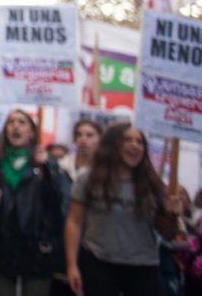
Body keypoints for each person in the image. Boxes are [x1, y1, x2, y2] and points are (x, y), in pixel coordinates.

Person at [64, 122, 183, 296]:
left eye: (140, 142)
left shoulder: (154, 184)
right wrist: (72, 265)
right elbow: (74, 222)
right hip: (99, 262)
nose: (135, 145)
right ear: (112, 145)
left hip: (143, 267)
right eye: (128, 140)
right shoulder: (88, 179)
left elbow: (168, 234)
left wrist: (172, 215)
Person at [0, 109, 67, 296]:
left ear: (31, 132)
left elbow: (58, 200)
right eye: (11, 122)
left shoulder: (44, 163)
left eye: (22, 122)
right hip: (2, 246)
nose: (16, 126)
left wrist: (48, 167)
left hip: (36, 248)